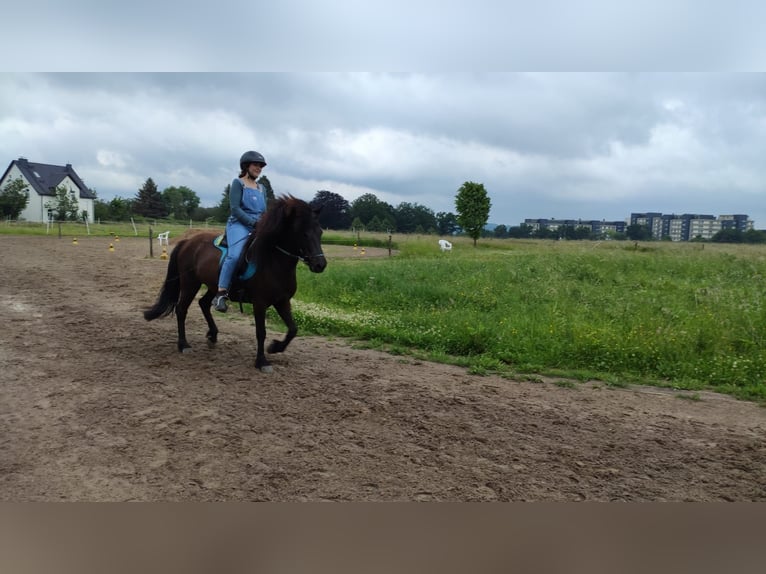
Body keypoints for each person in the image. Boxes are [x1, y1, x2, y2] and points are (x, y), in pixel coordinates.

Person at [212, 150, 268, 312]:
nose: (259, 168)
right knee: (235, 255)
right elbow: (235, 209)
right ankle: (221, 293)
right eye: (256, 165)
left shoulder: (261, 188)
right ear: (246, 166)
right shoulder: (238, 183)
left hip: (259, 224)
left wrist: (266, 224)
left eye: (261, 166)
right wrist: (252, 223)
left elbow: (264, 211)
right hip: (239, 224)